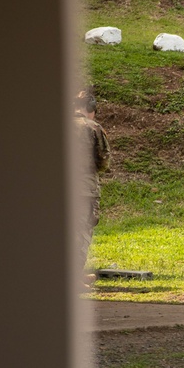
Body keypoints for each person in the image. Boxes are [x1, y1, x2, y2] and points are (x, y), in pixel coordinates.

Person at [74, 88, 110, 284]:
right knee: (81, 231)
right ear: (91, 108)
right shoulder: (93, 128)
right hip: (83, 189)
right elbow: (103, 161)